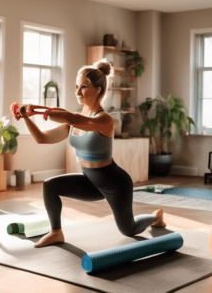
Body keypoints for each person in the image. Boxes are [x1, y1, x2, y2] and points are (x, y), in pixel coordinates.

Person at [15, 60, 166, 248]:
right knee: (50, 186)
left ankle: (154, 218)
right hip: (90, 182)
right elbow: (42, 138)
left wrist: (36, 110)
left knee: (129, 230)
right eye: (76, 87)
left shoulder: (103, 120)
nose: (78, 92)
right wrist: (27, 117)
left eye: (83, 87)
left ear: (99, 90)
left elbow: (72, 117)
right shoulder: (74, 121)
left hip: (114, 183)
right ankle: (56, 232)